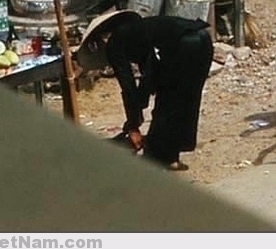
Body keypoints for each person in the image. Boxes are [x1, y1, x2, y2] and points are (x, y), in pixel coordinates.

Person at [76, 10, 214, 171]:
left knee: (167, 102)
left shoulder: (115, 43)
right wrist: (137, 115)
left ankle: (162, 156)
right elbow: (149, 75)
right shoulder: (139, 31)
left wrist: (133, 124)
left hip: (184, 46)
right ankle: (171, 157)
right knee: (187, 100)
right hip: (204, 40)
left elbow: (128, 85)